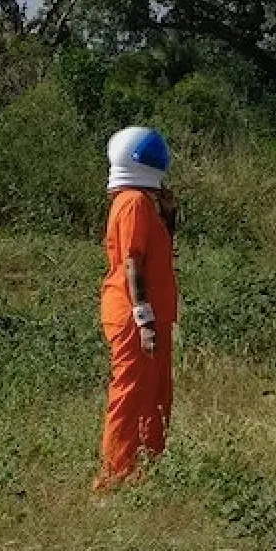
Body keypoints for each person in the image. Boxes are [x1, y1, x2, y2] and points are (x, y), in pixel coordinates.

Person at [93, 125, 180, 491]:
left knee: (155, 394)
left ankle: (146, 471)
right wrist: (144, 319)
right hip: (135, 318)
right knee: (129, 396)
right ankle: (114, 478)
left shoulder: (143, 202)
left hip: (149, 317)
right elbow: (133, 263)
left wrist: (170, 214)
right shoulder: (132, 202)